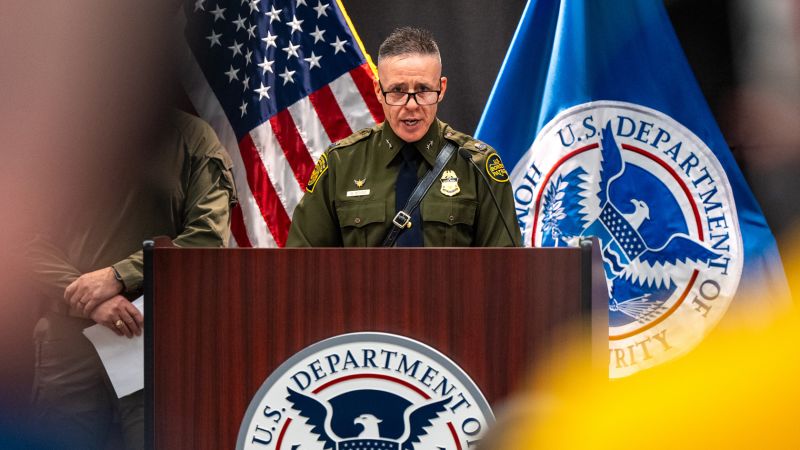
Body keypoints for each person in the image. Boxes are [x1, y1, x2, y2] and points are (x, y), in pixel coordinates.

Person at [26, 110, 237, 449]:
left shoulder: (192, 137)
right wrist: (90, 300)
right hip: (67, 345)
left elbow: (208, 239)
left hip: (154, 338)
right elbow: (21, 238)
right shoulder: (55, 132)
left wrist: (119, 276)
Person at [286, 27, 521, 247]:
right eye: (397, 91)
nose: (411, 105)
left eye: (423, 90)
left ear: (441, 89)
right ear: (379, 91)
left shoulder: (477, 165)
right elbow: (303, 264)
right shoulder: (341, 164)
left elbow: (505, 267)